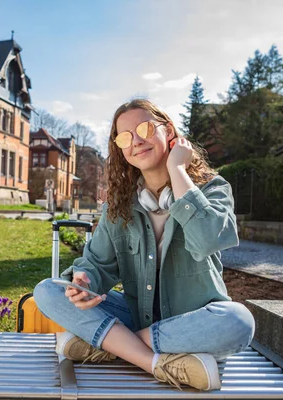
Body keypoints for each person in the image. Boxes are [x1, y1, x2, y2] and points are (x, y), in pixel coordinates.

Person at [33, 98, 255, 391]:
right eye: (125, 137)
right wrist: (85, 280)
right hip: (139, 317)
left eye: (146, 128)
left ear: (169, 132)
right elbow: (97, 264)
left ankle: (114, 345)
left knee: (239, 322)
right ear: (120, 149)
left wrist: (178, 170)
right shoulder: (119, 206)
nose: (136, 141)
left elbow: (208, 240)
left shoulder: (213, 189)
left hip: (193, 324)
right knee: (48, 290)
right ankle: (155, 364)